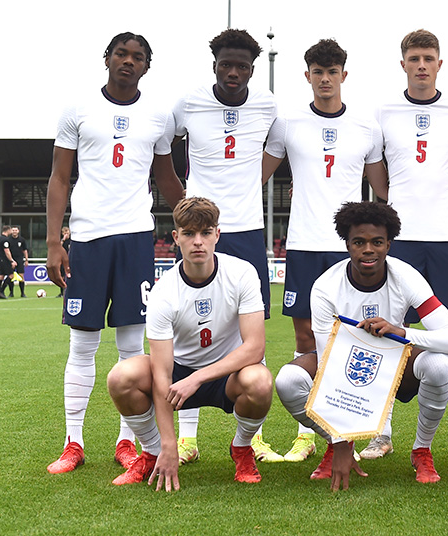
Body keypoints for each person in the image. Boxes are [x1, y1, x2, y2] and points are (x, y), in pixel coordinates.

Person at [45, 32, 184, 474]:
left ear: (147, 66)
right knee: (82, 344)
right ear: (106, 59)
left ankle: (127, 443)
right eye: (121, 54)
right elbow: (59, 179)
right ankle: (73, 442)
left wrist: (192, 223)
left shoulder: (158, 116)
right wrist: (53, 243)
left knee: (131, 348)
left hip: (136, 239)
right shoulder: (78, 110)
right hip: (87, 240)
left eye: (138, 57)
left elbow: (166, 179)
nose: (128, 61)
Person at [362, 29, 448, 461]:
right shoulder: (382, 112)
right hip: (400, 240)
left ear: (440, 63)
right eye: (414, 58)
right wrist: (393, 208)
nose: (422, 65)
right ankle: (380, 432)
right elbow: (374, 172)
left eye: (429, 58)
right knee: (384, 329)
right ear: (402, 63)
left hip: (447, 240)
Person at [274, 201, 448, 491]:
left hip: (396, 363)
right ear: (347, 244)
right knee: (288, 381)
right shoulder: (326, 286)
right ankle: (330, 445)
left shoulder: (407, 277)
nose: (368, 250)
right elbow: (328, 363)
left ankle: (421, 450)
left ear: (389, 244)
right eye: (359, 242)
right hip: (345, 364)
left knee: (437, 365)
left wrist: (401, 333)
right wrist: (342, 444)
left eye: (377, 242)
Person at [261, 38, 387, 462]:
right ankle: (307, 434)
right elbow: (258, 175)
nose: (326, 79)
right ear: (307, 75)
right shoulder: (287, 123)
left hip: (350, 250)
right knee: (305, 338)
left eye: (333, 72)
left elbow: (382, 191)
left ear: (343, 76)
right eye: (318, 71)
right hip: (302, 246)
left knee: (361, 336)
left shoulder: (367, 127)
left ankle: (373, 429)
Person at [167, 28, 280, 465]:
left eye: (242, 66)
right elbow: (163, 147)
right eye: (225, 65)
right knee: (191, 326)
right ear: (214, 64)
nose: (233, 72)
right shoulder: (189, 102)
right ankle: (189, 435)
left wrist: (252, 185)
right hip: (200, 225)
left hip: (248, 229)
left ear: (252, 68)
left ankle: (252, 438)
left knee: (253, 329)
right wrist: (184, 201)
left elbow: (277, 147)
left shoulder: (268, 104)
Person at [107, 197, 271, 490]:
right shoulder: (164, 291)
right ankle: (152, 451)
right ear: (176, 237)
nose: (198, 242)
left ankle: (242, 448)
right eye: (189, 234)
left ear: (217, 235)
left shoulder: (242, 273)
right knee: (122, 377)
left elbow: (255, 348)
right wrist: (169, 443)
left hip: (227, 374)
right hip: (178, 374)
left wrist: (198, 378)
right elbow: (160, 373)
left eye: (206, 233)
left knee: (259, 381)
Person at [7, 225, 29, 297]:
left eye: (16, 230)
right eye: (13, 230)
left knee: (21, 276)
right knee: (11, 276)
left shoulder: (22, 240)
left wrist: (26, 260)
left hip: (19, 260)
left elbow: (25, 250)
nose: (14, 232)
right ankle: (11, 293)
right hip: (11, 260)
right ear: (11, 231)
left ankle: (22, 293)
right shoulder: (8, 239)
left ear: (18, 231)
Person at [0, 226, 14, 300]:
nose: (11, 232)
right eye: (11, 230)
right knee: (11, 275)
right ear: (8, 230)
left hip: (0, 259)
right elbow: (7, 251)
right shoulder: (5, 240)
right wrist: (12, 260)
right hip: (4, 260)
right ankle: (1, 292)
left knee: (1, 276)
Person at [57, 227, 71, 298]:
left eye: (67, 232)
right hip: (63, 261)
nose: (66, 234)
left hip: (71, 261)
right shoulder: (61, 241)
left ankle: (70, 291)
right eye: (64, 233)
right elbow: (57, 248)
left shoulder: (72, 241)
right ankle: (62, 292)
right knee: (62, 276)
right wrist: (63, 239)